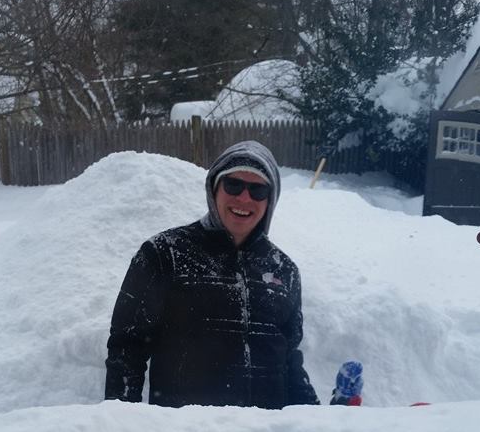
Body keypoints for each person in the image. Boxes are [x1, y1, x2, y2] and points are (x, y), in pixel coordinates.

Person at [105, 140, 328, 409]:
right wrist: (121, 423)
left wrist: (321, 420)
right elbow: (127, 347)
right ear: (214, 189)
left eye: (258, 190)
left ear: (270, 200)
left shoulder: (284, 270)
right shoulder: (164, 254)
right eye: (234, 184)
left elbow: (289, 358)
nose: (245, 198)